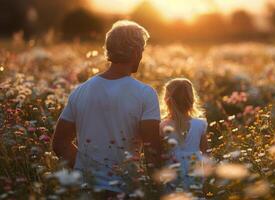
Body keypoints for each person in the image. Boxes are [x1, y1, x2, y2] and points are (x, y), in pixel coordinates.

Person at [51, 20, 163, 195]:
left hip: (86, 191)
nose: (141, 56)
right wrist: (157, 191)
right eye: (141, 51)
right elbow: (152, 151)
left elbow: (60, 143)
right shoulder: (145, 94)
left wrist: (86, 171)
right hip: (125, 190)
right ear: (135, 52)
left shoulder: (80, 91)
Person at [160, 78, 208, 191]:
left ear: (167, 101)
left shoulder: (163, 125)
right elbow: (205, 151)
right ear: (191, 100)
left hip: (172, 168)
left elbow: (160, 151)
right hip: (194, 166)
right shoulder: (200, 124)